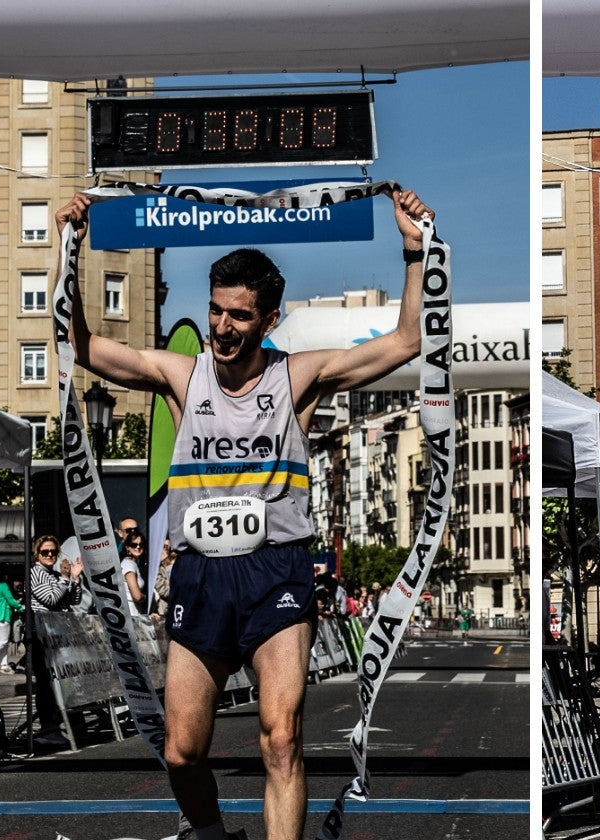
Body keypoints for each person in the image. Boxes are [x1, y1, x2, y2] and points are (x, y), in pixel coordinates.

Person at [56, 185, 433, 840]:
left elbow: (405, 341)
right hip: (201, 577)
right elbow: (83, 346)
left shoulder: (299, 377)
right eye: (215, 312)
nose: (222, 327)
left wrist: (410, 249)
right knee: (181, 750)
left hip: (276, 574)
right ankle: (209, 832)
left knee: (281, 738)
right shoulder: (181, 375)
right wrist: (72, 252)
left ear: (268, 319)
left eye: (238, 316)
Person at [29, 534, 83, 747]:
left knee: (61, 682)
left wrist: (75, 578)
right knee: (46, 683)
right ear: (37, 553)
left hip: (57, 635)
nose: (50, 555)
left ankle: (61, 724)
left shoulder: (52, 574)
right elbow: (50, 598)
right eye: (45, 552)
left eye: (53, 551)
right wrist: (63, 578)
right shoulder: (35, 573)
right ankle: (47, 728)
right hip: (42, 636)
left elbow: (73, 600)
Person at [0, 571, 24, 674]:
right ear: (5, 576)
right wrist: (21, 607)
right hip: (3, 616)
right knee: (3, 641)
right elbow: (10, 600)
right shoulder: (3, 585)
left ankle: (4, 665)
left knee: (5, 642)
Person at [121, 531, 148, 615]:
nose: (138, 547)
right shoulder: (129, 564)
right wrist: (146, 598)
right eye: (134, 545)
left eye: (141, 544)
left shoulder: (131, 563)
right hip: (131, 611)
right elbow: (137, 596)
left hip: (132, 610)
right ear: (127, 547)